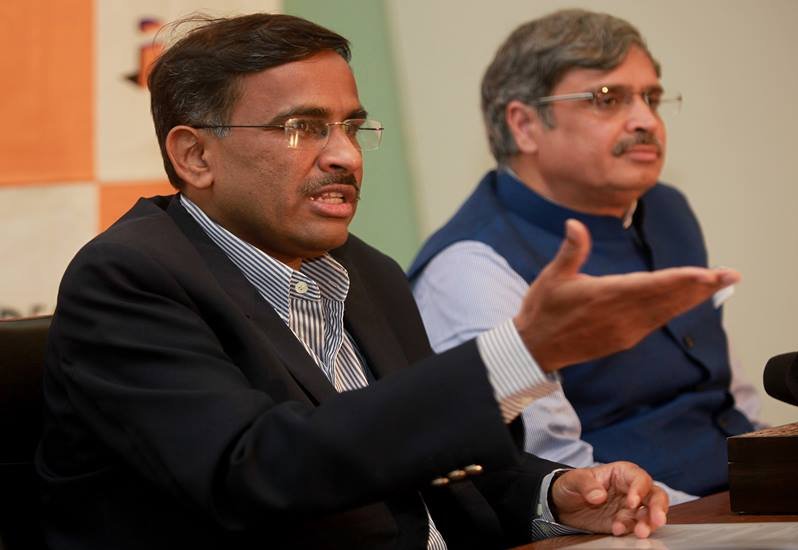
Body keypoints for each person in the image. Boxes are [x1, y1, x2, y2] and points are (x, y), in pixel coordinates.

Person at [37, 13, 737, 549]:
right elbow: (258, 471)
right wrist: (520, 354)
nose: (345, 156)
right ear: (195, 156)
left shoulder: (367, 270)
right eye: (303, 128)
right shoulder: (129, 278)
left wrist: (557, 496)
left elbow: (452, 466)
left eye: (351, 126)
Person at [409, 9, 760, 502]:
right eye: (607, 99)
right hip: (642, 518)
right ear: (525, 125)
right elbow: (554, 468)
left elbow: (730, 391)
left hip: (746, 491)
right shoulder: (472, 266)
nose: (646, 121)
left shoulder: (666, 208)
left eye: (651, 98)